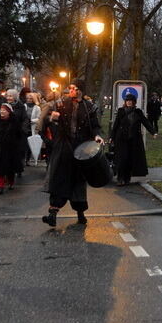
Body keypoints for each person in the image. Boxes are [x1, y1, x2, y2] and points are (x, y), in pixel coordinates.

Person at [41, 80, 103, 226]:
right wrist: (53, 119)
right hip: (64, 148)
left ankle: (80, 214)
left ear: (80, 90)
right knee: (59, 180)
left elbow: (95, 126)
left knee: (78, 183)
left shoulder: (89, 108)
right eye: (69, 88)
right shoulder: (61, 103)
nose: (70, 91)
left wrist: (97, 136)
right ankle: (52, 214)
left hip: (81, 149)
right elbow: (50, 121)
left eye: (73, 88)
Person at [111, 94, 157, 185]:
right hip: (121, 140)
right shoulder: (121, 111)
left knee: (130, 159)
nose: (128, 102)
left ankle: (127, 178)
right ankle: (120, 179)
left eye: (130, 100)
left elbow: (145, 122)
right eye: (127, 100)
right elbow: (116, 125)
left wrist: (153, 132)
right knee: (122, 159)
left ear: (134, 102)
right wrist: (111, 137)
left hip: (134, 140)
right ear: (125, 102)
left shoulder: (138, 112)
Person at [0, 103, 25, 194]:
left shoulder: (15, 122)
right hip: (0, 148)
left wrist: (17, 144)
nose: (2, 111)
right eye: (1, 110)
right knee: (0, 168)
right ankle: (0, 185)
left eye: (4, 110)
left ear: (9, 112)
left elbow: (19, 134)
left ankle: (11, 182)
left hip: (12, 148)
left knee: (11, 168)